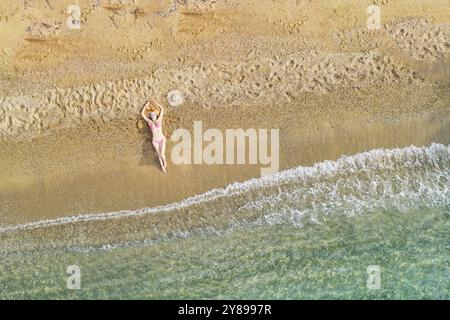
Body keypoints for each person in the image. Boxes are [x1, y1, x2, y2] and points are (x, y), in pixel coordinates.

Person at [141, 99, 167, 173]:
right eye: (151, 115)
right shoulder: (149, 122)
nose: (153, 116)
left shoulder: (159, 120)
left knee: (162, 154)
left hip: (162, 139)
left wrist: (155, 102)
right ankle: (162, 167)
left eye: (154, 114)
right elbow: (142, 114)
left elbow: (162, 109)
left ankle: (164, 161)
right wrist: (146, 104)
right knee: (159, 154)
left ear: (156, 114)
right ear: (150, 116)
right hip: (155, 140)